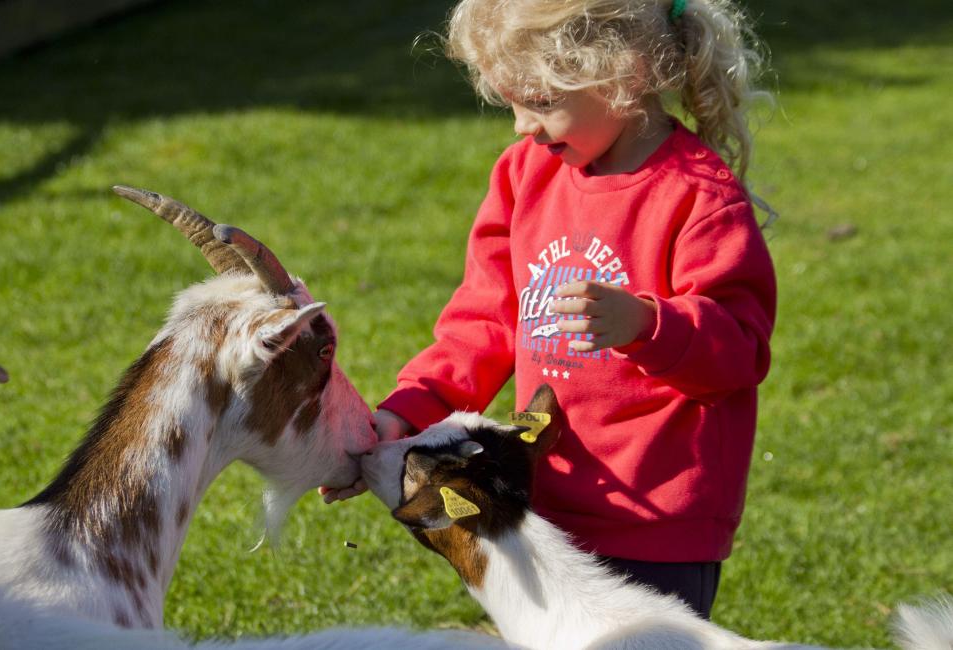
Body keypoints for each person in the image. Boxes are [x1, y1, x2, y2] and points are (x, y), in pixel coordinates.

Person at [325, 0, 775, 619]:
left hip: (656, 523)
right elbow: (481, 322)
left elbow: (741, 349)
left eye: (537, 99)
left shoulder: (696, 195)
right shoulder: (522, 176)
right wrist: (409, 413)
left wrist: (648, 325)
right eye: (509, 101)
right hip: (539, 506)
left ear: (623, 73)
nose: (520, 125)